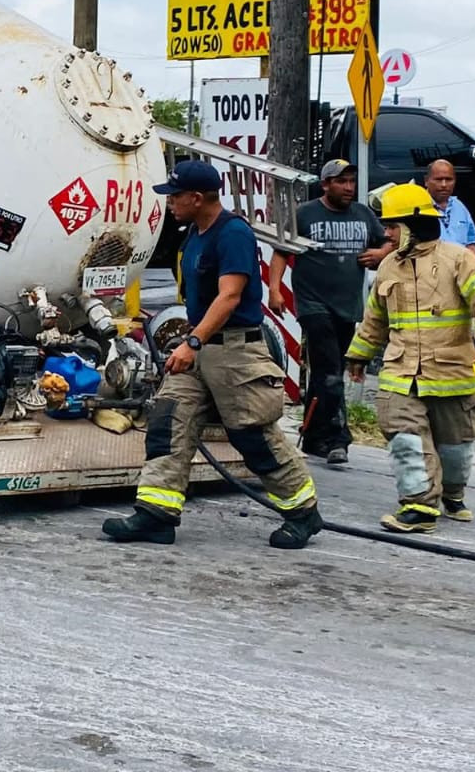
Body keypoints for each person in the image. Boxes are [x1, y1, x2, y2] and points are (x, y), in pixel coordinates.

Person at [102, 160, 324, 550]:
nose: (170, 204)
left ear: (197, 198)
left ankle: (303, 512)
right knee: (168, 422)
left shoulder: (232, 234)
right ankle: (156, 514)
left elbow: (230, 296)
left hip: (235, 352)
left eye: (175, 197)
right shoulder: (194, 234)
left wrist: (193, 343)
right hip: (200, 349)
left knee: (252, 435)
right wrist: (188, 340)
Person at [345, 183, 475, 533]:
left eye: (392, 226)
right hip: (401, 372)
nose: (386, 233)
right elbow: (375, 318)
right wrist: (358, 356)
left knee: (455, 449)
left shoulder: (459, 259)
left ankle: (453, 493)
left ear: (413, 225)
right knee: (405, 439)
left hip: (451, 373)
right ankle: (419, 505)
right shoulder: (388, 266)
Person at [268, 159, 390, 467]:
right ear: (326, 185)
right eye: (341, 182)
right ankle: (339, 438)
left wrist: (380, 254)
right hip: (313, 304)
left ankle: (311, 435)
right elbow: (282, 251)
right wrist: (273, 291)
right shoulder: (306, 214)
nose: (348, 187)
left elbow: (390, 241)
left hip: (347, 307)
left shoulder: (363, 214)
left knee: (325, 373)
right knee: (332, 370)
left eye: (351, 181)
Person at [425, 159, 475, 258]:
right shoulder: (417, 208)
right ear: (426, 181)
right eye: (438, 179)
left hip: (460, 269)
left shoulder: (460, 207)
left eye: (449, 179)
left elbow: (470, 244)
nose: (444, 185)